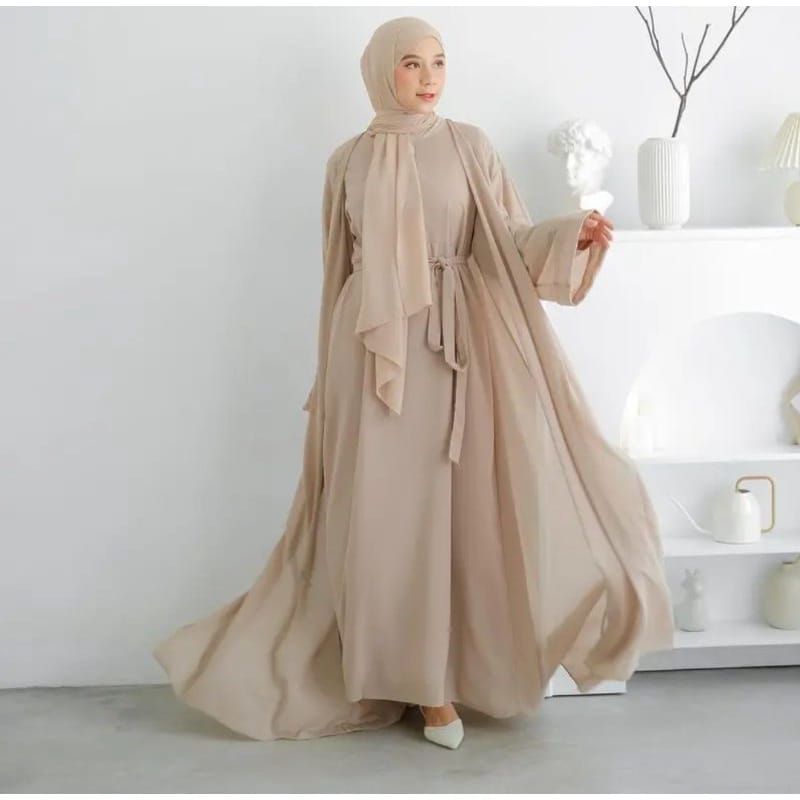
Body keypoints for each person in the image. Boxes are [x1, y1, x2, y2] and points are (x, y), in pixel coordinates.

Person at [153, 16, 674, 750]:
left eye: (438, 62)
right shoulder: (347, 161)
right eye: (411, 64)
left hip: (459, 347)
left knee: (460, 513)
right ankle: (414, 683)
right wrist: (328, 375)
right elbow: (338, 272)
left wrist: (571, 235)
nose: (429, 78)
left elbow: (510, 240)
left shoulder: (469, 145)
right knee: (390, 517)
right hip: (373, 353)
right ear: (380, 71)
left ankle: (451, 674)